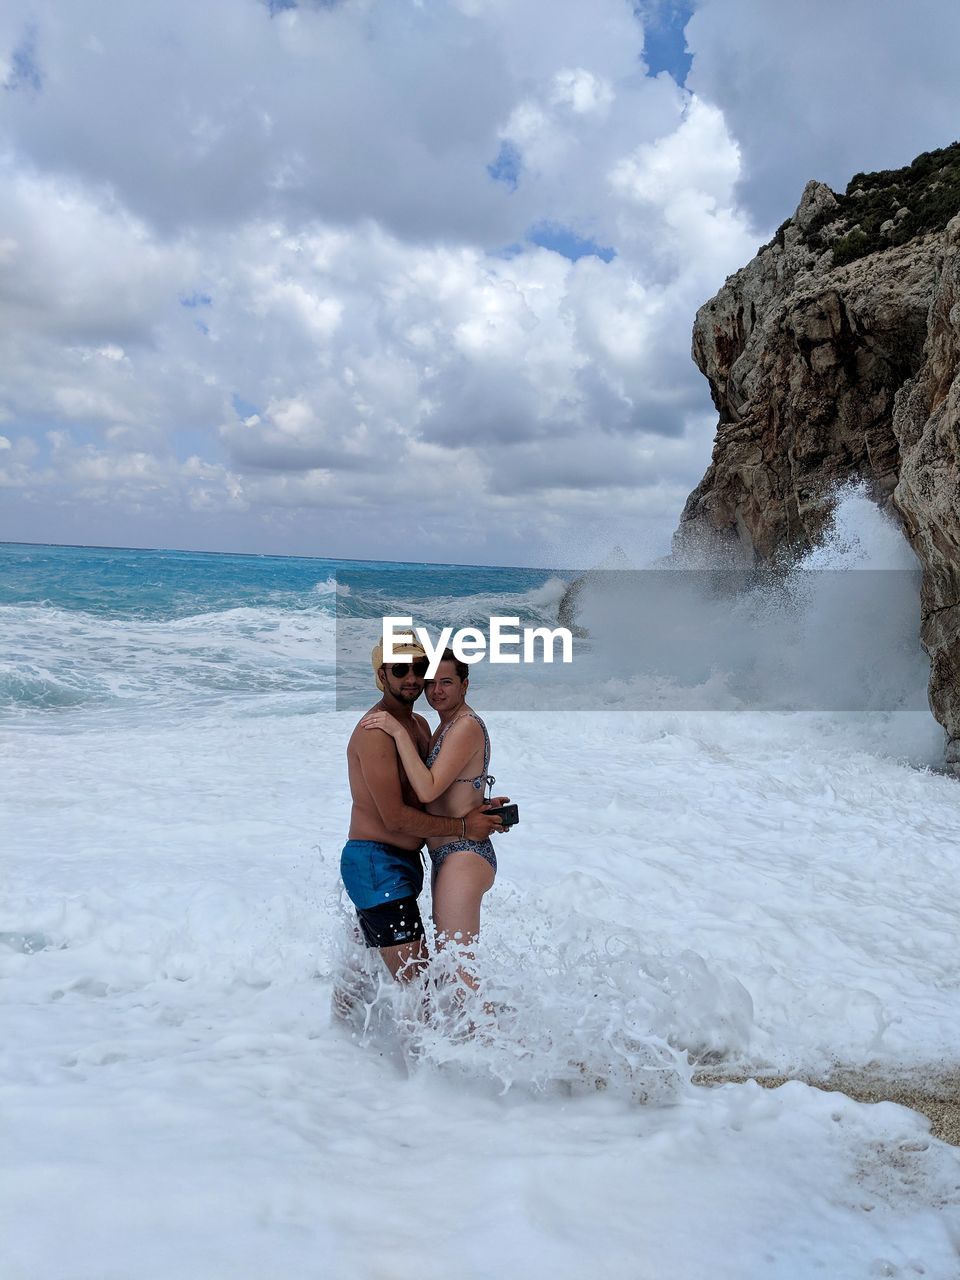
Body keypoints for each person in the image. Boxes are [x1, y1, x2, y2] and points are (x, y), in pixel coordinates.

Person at [340, 640, 505, 985]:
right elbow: (396, 818)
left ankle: (338, 1034)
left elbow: (430, 792)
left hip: (408, 865)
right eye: (400, 669)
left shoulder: (419, 726)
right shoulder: (376, 732)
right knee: (421, 986)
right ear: (382, 675)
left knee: (365, 979)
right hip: (378, 866)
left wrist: (475, 803)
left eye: (420, 669)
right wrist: (463, 825)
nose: (413, 678)